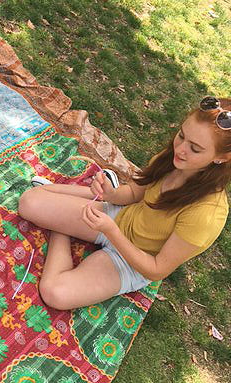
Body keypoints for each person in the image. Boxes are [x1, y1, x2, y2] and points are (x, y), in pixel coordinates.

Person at [18, 98, 231, 310]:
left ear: (222, 157)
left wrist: (109, 231)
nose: (180, 149)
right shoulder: (170, 159)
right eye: (182, 136)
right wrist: (110, 194)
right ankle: (72, 208)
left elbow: (156, 270)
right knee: (29, 202)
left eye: (195, 149)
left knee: (55, 293)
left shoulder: (207, 213)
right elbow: (133, 193)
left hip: (133, 263)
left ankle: (60, 227)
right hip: (120, 217)